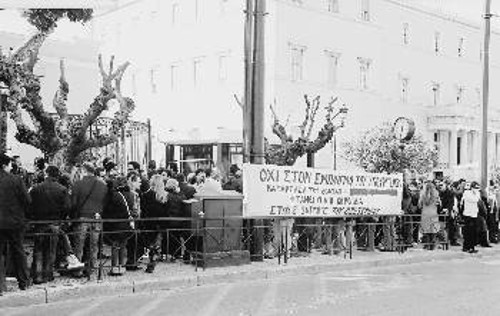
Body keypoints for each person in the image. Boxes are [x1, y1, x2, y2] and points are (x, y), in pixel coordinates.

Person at [28, 166, 72, 284]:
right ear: (57, 175)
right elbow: (68, 207)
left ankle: (37, 276)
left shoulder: (36, 189)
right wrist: (61, 218)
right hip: (55, 222)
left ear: (47, 173)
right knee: (51, 250)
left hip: (39, 222)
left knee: (38, 250)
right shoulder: (62, 189)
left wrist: (33, 217)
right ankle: (48, 274)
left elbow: (29, 206)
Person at [0, 153, 31, 295]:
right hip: (15, 221)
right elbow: (27, 200)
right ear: (5, 165)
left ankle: (1, 286)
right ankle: (23, 282)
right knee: (18, 250)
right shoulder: (16, 180)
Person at [71, 163, 108, 277]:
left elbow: (73, 203)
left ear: (84, 170)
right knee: (94, 245)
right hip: (96, 217)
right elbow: (105, 202)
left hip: (82, 217)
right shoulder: (102, 185)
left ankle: (78, 270)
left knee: (79, 245)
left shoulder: (78, 184)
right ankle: (92, 268)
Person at [102, 177, 134, 276]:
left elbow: (105, 211)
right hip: (124, 223)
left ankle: (114, 267)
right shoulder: (122, 195)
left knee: (115, 246)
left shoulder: (108, 197)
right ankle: (121, 266)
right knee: (123, 245)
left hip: (114, 224)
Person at [141, 174, 169, 273]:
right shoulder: (164, 196)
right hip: (160, 224)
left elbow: (143, 210)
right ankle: (152, 262)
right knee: (157, 244)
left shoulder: (147, 195)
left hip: (148, 223)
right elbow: (166, 212)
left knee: (150, 244)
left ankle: (150, 260)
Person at [418, 181, 441, 250]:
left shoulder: (422, 194)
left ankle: (426, 245)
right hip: (433, 213)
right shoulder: (436, 194)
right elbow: (439, 204)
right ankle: (432, 245)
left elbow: (419, 205)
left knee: (426, 229)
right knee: (433, 229)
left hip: (425, 213)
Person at [461, 182, 480, 253]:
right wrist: (476, 195)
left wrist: (476, 194)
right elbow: (474, 200)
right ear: (472, 188)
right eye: (476, 188)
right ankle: (466, 247)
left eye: (478, 188)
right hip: (468, 215)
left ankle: (472, 246)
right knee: (468, 232)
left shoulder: (477, 193)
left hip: (474, 214)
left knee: (474, 232)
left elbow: (477, 200)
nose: (477, 189)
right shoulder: (467, 193)